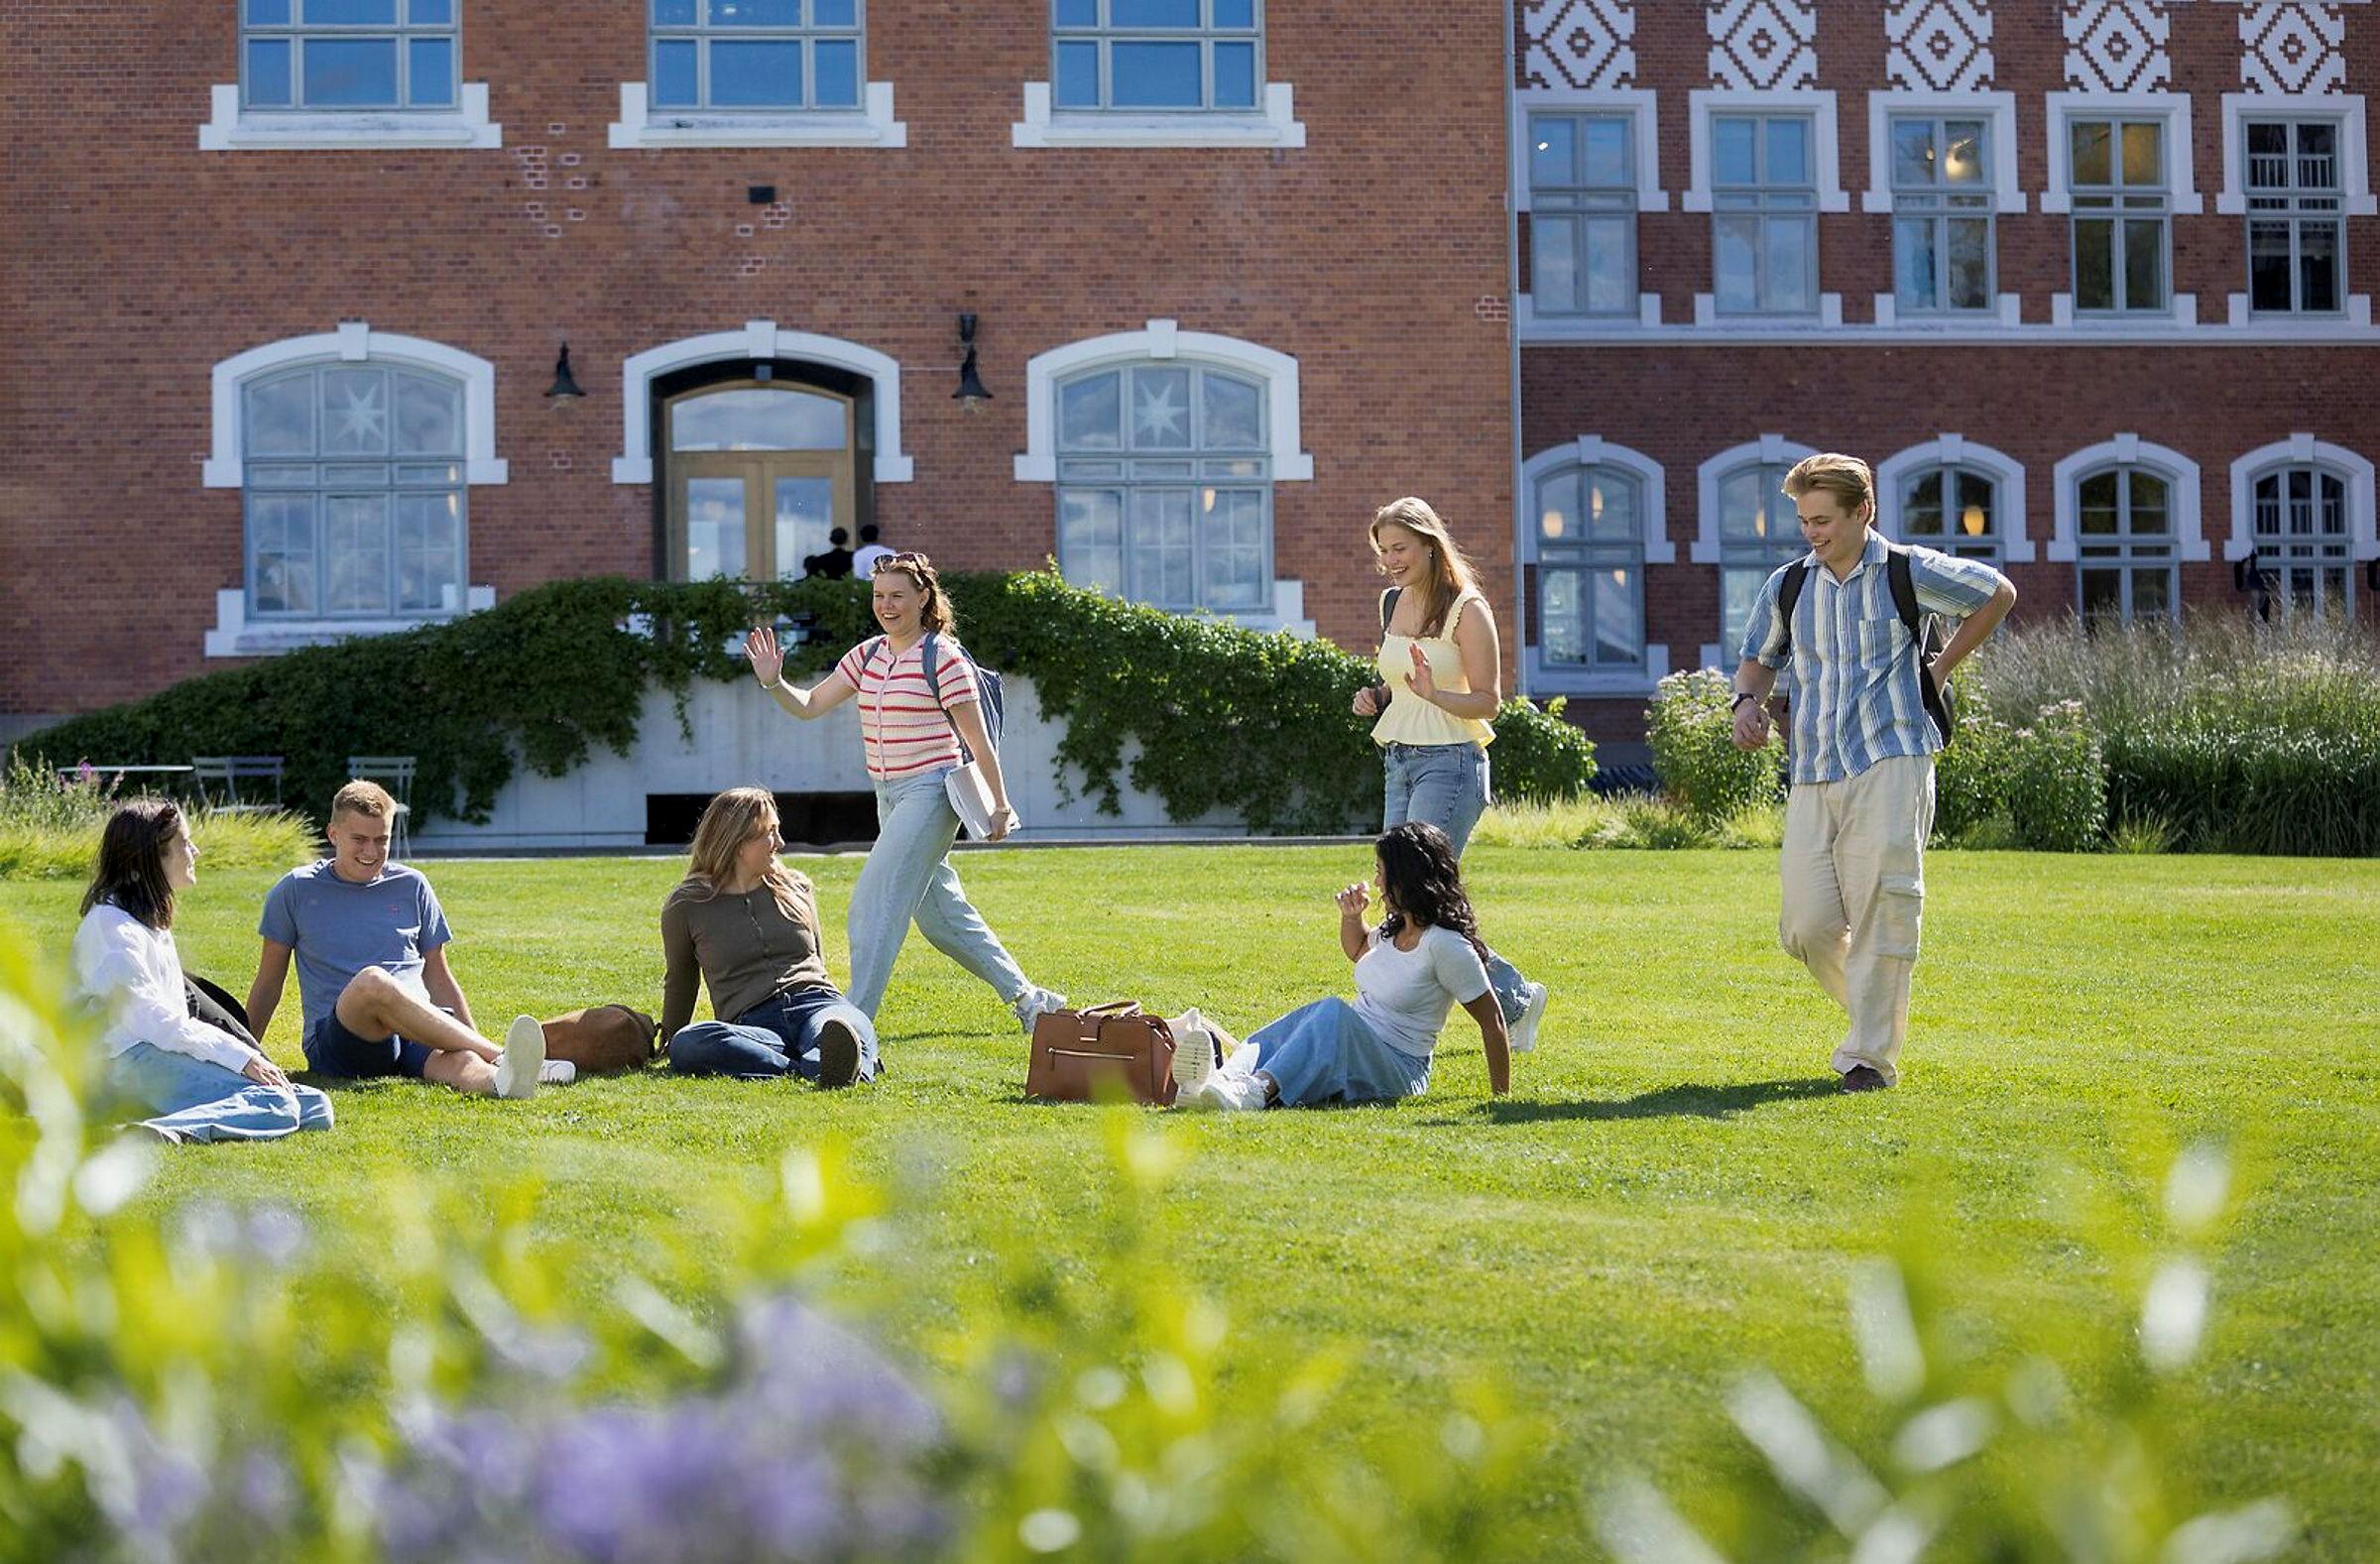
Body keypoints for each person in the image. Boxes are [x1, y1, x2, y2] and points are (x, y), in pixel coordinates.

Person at [1729, 452, 2016, 1092]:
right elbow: (1756, 660)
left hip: (1893, 757)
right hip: (1812, 765)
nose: (1812, 532)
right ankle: (1874, 1011)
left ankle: (1868, 1057)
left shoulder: (1908, 572)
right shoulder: (1789, 585)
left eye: (1824, 519)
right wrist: (1747, 703)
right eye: (1804, 520)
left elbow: (1997, 593)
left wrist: (1939, 668)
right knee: (1805, 926)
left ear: (1863, 511)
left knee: (1885, 906)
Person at [744, 551, 1066, 1031]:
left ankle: (852, 1024)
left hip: (931, 792)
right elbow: (811, 705)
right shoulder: (869, 655)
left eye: (897, 595)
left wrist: (1000, 804)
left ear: (922, 598)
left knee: (874, 900)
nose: (886, 605)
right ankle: (1031, 1001)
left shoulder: (944, 657)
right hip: (887, 795)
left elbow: (978, 741)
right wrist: (774, 683)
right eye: (879, 596)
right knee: (940, 917)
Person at [1350, 496, 1549, 1051]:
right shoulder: (1392, 604)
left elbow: (1489, 701)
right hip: (1400, 760)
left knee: (1418, 894)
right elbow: (1402, 683)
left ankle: (1502, 1001)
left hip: (1453, 763)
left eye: (1400, 548)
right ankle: (1513, 999)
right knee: (1405, 897)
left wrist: (1438, 695)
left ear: (1429, 545)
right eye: (1383, 550)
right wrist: (1377, 696)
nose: (1390, 560)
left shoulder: (1467, 608)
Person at [247, 780, 560, 1098]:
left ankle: (503, 1080)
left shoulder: (412, 885)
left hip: (414, 1030)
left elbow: (438, 975)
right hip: (343, 1039)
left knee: (461, 1060)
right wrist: (243, 1056)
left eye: (381, 840)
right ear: (333, 834)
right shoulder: (296, 890)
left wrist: (468, 1038)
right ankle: (499, 1053)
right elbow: (269, 982)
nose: (371, 851)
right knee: (373, 982)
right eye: (360, 839)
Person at [1188, 822, 1510, 1110]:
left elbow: (1492, 1020)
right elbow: (1357, 948)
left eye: (1381, 871)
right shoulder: (1395, 928)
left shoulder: (1445, 945)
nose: (1376, 881)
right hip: (1360, 1043)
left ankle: (1259, 1090)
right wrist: (1352, 917)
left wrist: (1501, 1099)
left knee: (1332, 1013)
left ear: (1405, 876)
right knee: (1305, 1019)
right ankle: (1219, 1081)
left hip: (1400, 1069)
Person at [70, 799, 335, 1144]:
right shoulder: (113, 929)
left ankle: (170, 1118)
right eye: (184, 842)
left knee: (315, 1104)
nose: (194, 851)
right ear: (153, 858)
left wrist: (241, 1059)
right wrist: (241, 1058)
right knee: (277, 1103)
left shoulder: (146, 919)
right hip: (124, 1061)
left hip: (155, 1051)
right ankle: (155, 1132)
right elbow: (156, 1023)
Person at [660, 786, 877, 1088]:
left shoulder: (797, 887)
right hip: (752, 1024)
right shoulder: (687, 906)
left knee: (845, 1025)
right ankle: (818, 1065)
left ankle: (831, 1059)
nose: (780, 843)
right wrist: (668, 1041)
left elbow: (818, 961)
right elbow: (681, 981)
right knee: (690, 1043)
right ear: (737, 843)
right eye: (770, 833)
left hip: (818, 1005)